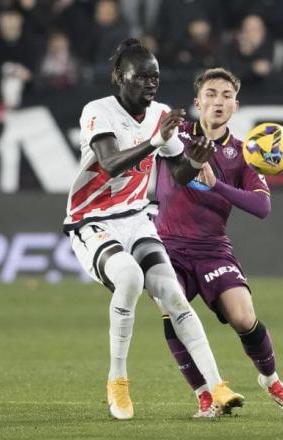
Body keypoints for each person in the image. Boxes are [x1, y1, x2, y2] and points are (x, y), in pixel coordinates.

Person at [63, 39, 243, 420]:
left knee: (172, 294)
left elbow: (177, 170)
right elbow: (111, 163)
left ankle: (217, 385)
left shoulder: (159, 113)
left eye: (155, 77)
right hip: (91, 220)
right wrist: (155, 140)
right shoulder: (99, 111)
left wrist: (194, 162)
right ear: (118, 77)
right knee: (128, 277)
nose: (150, 83)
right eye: (141, 76)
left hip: (134, 218)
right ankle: (118, 380)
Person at [153, 67, 283, 418]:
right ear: (197, 102)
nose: (217, 102)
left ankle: (271, 379)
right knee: (172, 310)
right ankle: (204, 394)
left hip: (212, 248)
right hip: (168, 245)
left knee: (242, 316)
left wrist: (215, 184)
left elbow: (262, 206)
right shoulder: (174, 136)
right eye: (210, 94)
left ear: (236, 106)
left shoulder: (244, 154)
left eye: (225, 96)